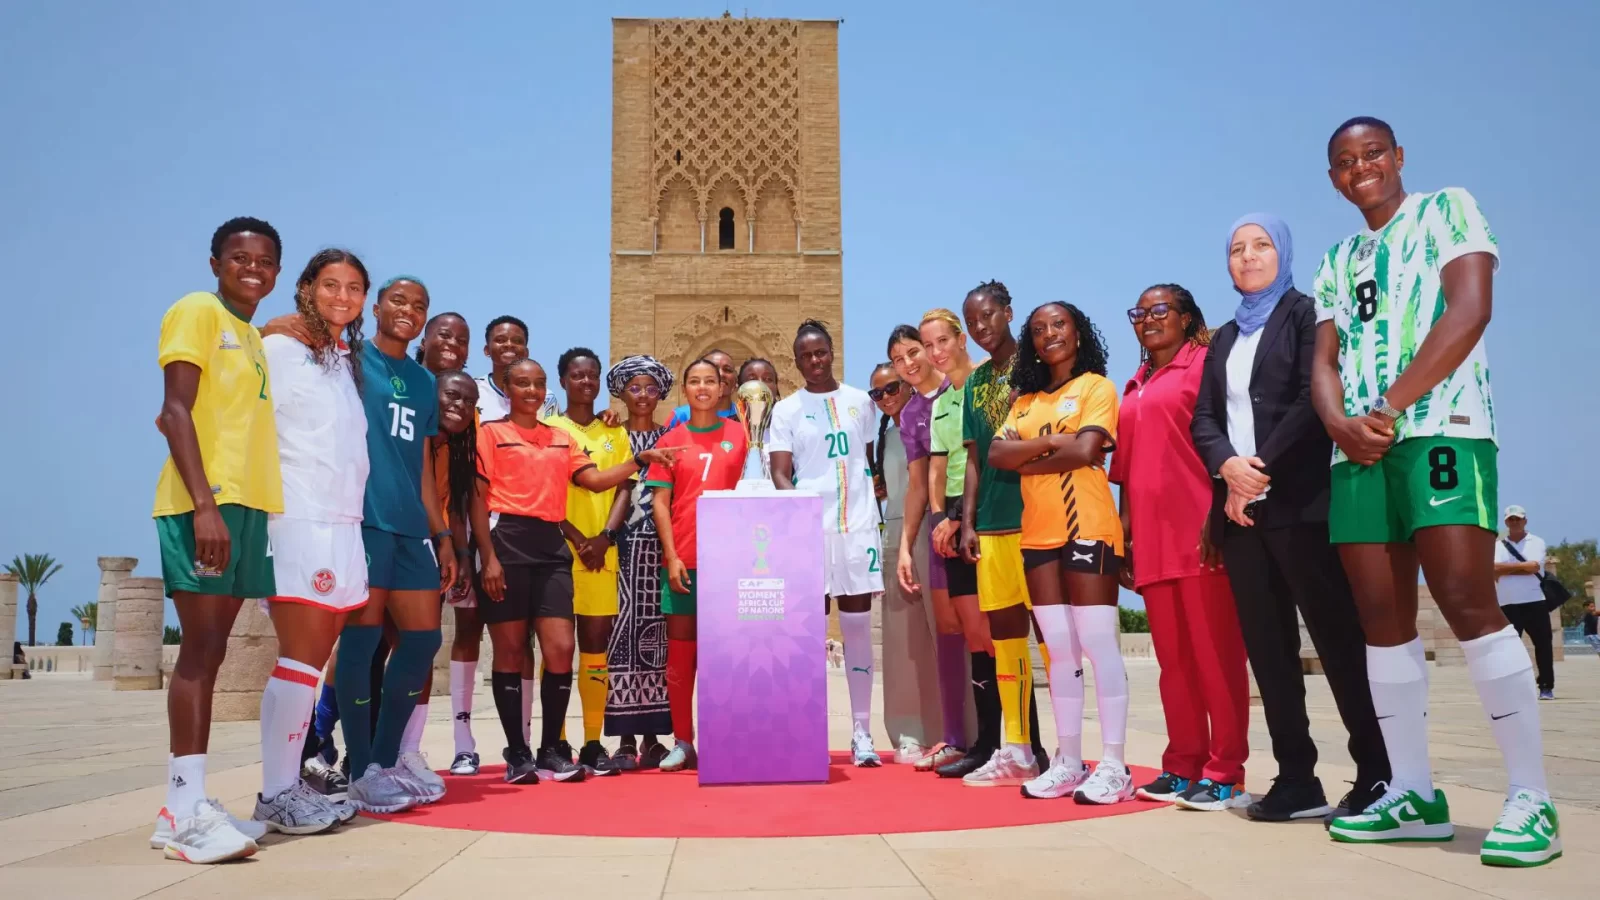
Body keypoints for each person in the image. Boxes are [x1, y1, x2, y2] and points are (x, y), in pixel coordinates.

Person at [1313, 116, 1559, 866]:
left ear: (1398, 157)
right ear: (1334, 178)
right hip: (1359, 450)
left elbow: (1470, 308)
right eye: (1345, 161)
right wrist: (1340, 424)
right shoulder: (1338, 258)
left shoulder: (1448, 207)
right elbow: (1324, 361)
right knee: (1381, 620)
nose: (1361, 168)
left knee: (1464, 597)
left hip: (1443, 427)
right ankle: (1414, 793)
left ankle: (1532, 797)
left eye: (1373, 154)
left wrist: (1387, 407)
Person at [1194, 214, 1393, 821]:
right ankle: (1297, 779)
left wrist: (1255, 470)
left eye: (1261, 245)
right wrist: (1228, 468)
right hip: (1242, 516)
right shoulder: (1223, 338)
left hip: (1303, 504)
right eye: (1237, 249)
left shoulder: (1309, 315)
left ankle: (1379, 774)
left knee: (1338, 640)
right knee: (1268, 649)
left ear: (1282, 252)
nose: (1249, 256)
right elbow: (1204, 419)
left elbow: (1315, 398)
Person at [265, 275, 457, 813]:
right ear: (375, 308)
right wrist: (277, 324)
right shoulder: (349, 360)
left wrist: (441, 532)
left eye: (419, 304)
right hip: (360, 518)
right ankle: (362, 767)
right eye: (398, 300)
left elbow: (423, 465)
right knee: (362, 640)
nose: (408, 310)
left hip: (410, 526)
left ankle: (383, 761)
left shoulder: (423, 381)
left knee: (423, 640)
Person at [471, 359, 675, 784]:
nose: (531, 390)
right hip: (507, 541)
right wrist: (487, 556)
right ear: (507, 388)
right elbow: (477, 496)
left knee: (561, 648)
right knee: (510, 650)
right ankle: (518, 753)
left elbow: (596, 480)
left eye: (537, 383)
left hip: (550, 547)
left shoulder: (560, 438)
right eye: (522, 383)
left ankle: (551, 750)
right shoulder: (490, 433)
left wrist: (639, 459)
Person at [150, 216, 283, 863]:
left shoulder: (252, 334)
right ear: (215, 264)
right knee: (200, 651)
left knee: (214, 649)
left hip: (248, 506)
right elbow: (174, 411)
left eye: (264, 261)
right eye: (240, 258)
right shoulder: (197, 311)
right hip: (205, 503)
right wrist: (205, 506)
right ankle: (183, 809)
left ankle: (189, 802)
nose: (252, 269)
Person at [1113, 283, 1252, 811]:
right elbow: (1126, 471)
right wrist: (1125, 535)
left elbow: (1227, 445)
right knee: (1173, 664)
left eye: (1160, 310)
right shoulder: (1135, 384)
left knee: (1216, 658)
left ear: (1187, 318)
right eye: (1139, 312)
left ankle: (1225, 772)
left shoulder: (1205, 366)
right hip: (1150, 542)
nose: (1147, 319)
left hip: (1200, 535)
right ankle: (1182, 764)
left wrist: (1217, 515)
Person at [251, 249, 375, 836]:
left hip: (342, 522)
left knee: (313, 658)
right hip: (299, 517)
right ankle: (276, 792)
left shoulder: (341, 359)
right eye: (330, 285)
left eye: (354, 287)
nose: (342, 297)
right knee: (300, 656)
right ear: (306, 287)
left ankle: (288, 783)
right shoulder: (279, 346)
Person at [988, 302, 1128, 804]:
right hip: (1037, 536)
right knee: (1060, 650)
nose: (1049, 334)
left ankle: (1114, 766)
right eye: (1038, 329)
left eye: (1059, 325)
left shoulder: (1096, 387)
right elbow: (997, 455)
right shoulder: (1023, 401)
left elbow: (1087, 451)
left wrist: (1029, 455)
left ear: (1078, 331)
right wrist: (1054, 447)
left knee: (1097, 643)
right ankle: (1069, 762)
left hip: (1086, 526)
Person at [769, 320, 885, 767]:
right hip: (810, 532)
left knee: (856, 630)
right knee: (809, 634)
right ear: (796, 362)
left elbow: (867, 461)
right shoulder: (787, 411)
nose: (815, 361)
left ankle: (862, 732)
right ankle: (808, 727)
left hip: (857, 529)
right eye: (806, 356)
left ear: (832, 352)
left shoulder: (861, 402)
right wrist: (798, 515)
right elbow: (780, 472)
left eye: (820, 352)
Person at [953, 282, 1050, 786]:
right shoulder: (974, 382)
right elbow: (973, 457)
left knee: (1053, 639)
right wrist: (968, 522)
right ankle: (1018, 749)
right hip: (992, 524)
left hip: (1038, 517)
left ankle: (1069, 751)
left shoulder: (1038, 363)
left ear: (1008, 313)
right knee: (1007, 642)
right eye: (972, 321)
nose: (981, 327)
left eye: (988, 316)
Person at [647, 358, 749, 771]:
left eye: (710, 381)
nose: (703, 387)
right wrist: (672, 556)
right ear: (684, 389)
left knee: (725, 654)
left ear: (723, 387)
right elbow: (660, 503)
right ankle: (683, 741)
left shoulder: (741, 436)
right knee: (681, 652)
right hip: (685, 560)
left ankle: (723, 737)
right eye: (694, 381)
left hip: (730, 562)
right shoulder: (671, 440)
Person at [887, 323, 973, 769]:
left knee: (990, 631)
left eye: (913, 352)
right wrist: (905, 547)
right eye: (898, 360)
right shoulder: (910, 414)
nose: (908, 364)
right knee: (949, 629)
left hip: (978, 517)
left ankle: (1007, 739)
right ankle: (955, 738)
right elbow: (917, 486)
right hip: (941, 529)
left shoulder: (964, 387)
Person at [546, 347, 632, 777]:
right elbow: (544, 490)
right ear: (563, 380)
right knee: (557, 649)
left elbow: (625, 488)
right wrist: (578, 538)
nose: (585, 382)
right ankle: (556, 741)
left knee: (595, 649)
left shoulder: (613, 432)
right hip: (559, 551)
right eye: (577, 375)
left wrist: (605, 538)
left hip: (602, 553)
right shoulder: (548, 428)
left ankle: (594, 742)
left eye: (592, 376)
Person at [921, 308, 996, 778]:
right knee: (974, 635)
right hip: (951, 518)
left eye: (942, 341)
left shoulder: (988, 384)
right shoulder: (942, 401)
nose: (936, 352)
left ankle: (1021, 743)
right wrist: (939, 520)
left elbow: (984, 456)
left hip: (984, 510)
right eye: (928, 346)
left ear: (961, 338)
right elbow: (937, 465)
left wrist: (958, 519)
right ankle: (987, 744)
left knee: (996, 634)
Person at [868, 356, 945, 766]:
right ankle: (908, 733)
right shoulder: (885, 437)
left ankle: (952, 730)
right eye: (876, 393)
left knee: (943, 635)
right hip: (895, 535)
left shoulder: (931, 421)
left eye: (891, 388)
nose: (885, 397)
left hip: (933, 527)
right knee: (903, 643)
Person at [603, 356, 677, 768]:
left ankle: (653, 736)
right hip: (617, 550)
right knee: (620, 639)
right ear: (622, 393)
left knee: (657, 640)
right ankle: (625, 738)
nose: (643, 396)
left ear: (661, 393)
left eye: (650, 388)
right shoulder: (611, 436)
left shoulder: (670, 439)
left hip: (658, 552)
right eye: (634, 388)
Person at [1494, 505, 1554, 700]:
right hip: (1507, 603)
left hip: (1535, 601)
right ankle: (1512, 688)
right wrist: (1523, 567)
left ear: (1525, 521)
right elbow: (1493, 569)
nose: (1515, 522)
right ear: (1506, 522)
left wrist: (1506, 569)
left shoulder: (1536, 542)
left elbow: (1534, 566)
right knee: (1509, 649)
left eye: (1518, 519)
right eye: (1511, 519)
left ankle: (1546, 686)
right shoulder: (1497, 545)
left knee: (1543, 645)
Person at [665, 349, 738, 429]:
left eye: (727, 370)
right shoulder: (680, 415)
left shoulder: (744, 414)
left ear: (736, 381)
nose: (721, 374)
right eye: (714, 369)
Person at [475, 315, 529, 422]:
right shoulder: (472, 390)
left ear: (526, 352)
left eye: (517, 341)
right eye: (500, 340)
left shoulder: (545, 397)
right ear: (487, 350)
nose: (509, 345)